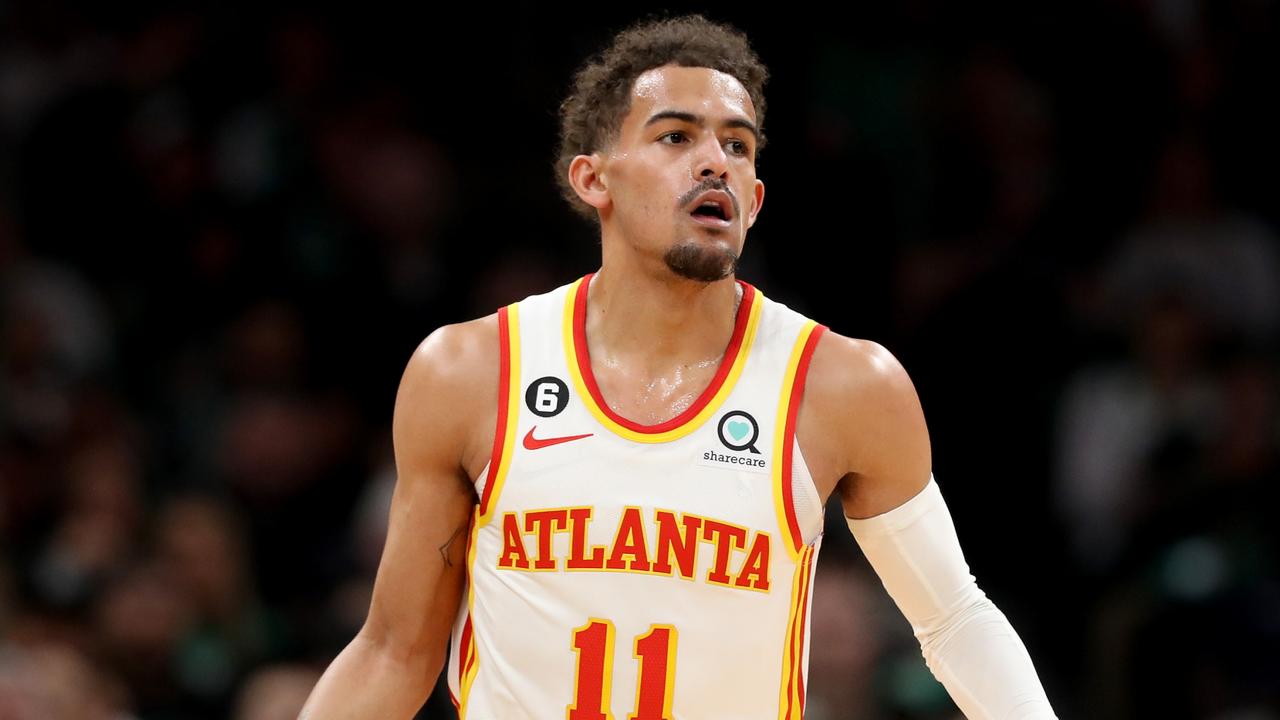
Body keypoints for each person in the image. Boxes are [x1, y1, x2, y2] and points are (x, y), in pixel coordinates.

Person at [300, 14, 1058, 719]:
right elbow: (395, 652)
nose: (714, 163)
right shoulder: (470, 371)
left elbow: (955, 619)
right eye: (675, 137)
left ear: (755, 200)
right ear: (592, 179)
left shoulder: (844, 385)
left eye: (737, 145)